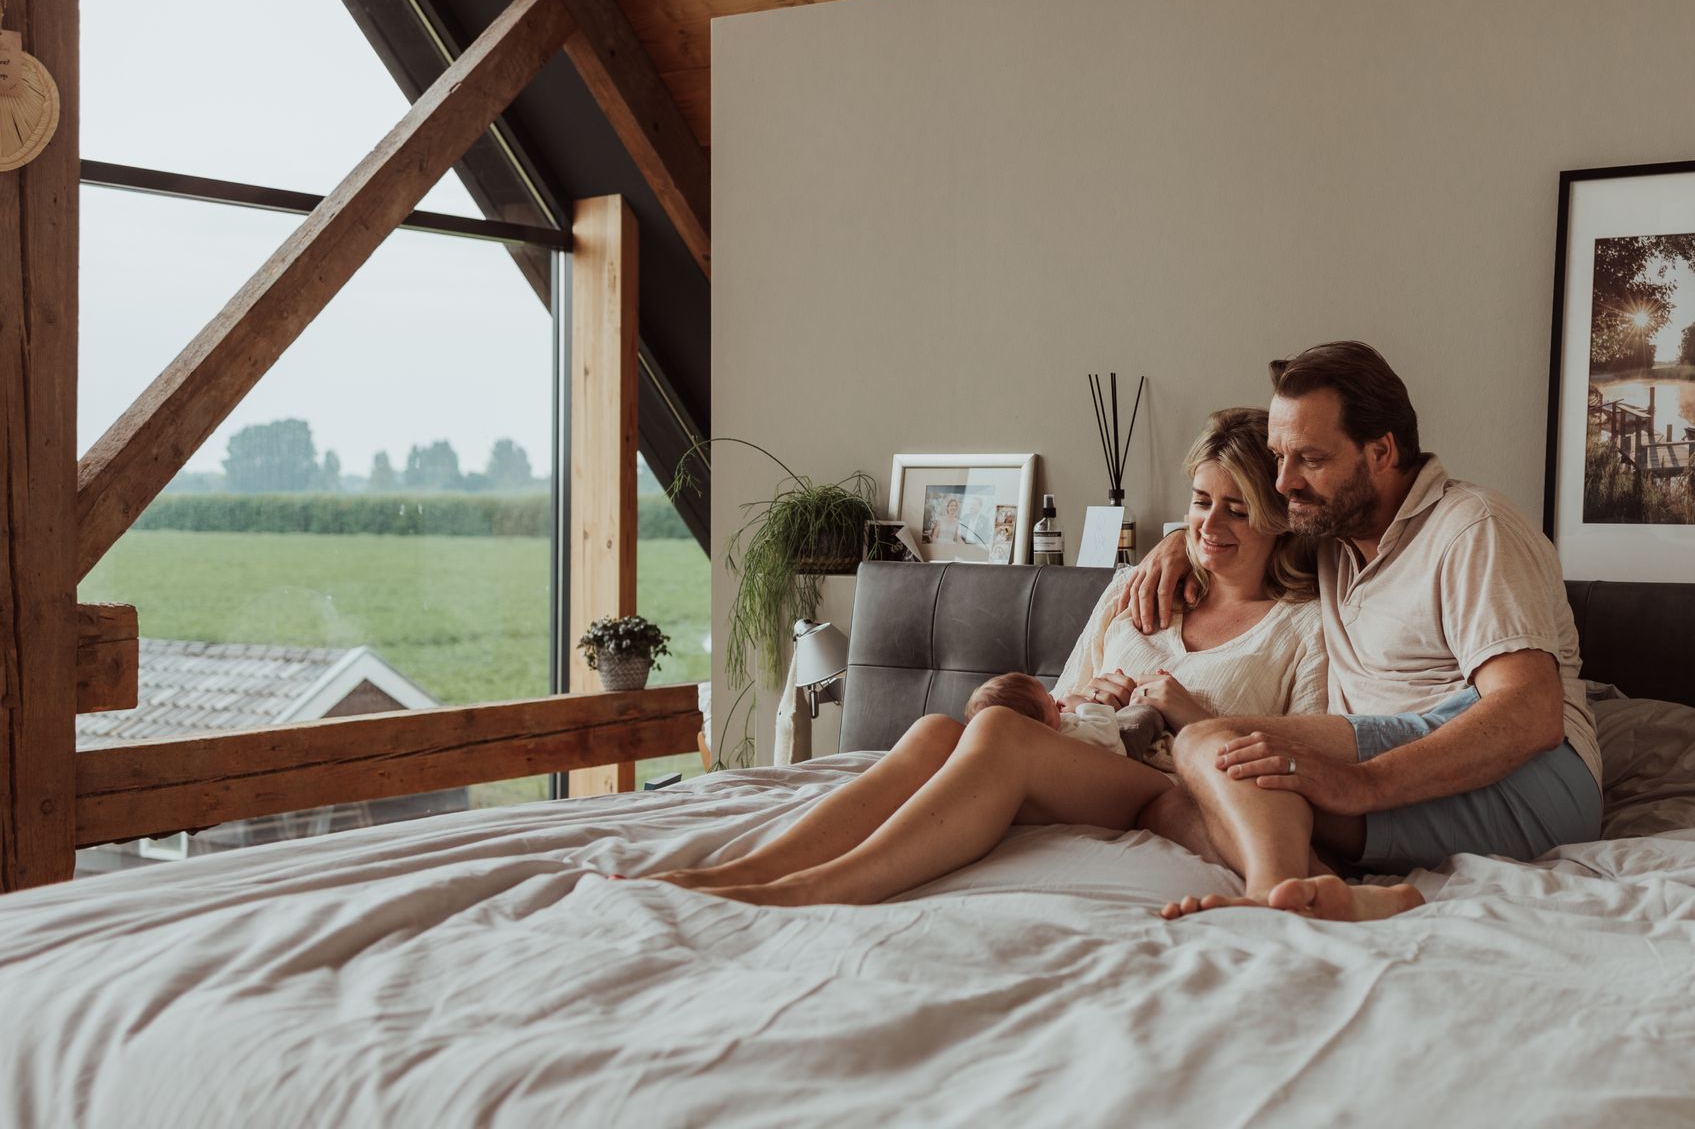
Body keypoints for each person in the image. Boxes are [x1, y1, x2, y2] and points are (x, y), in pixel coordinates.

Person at [635, 408, 1325, 907]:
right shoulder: (1138, 586)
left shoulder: (1301, 626)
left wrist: (1188, 712)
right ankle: (747, 870)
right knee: (937, 730)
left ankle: (818, 888)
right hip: (1086, 751)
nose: (1209, 524)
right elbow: (1064, 695)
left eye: (1237, 509)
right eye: (1201, 502)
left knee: (995, 731)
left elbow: (1309, 758)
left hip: (1163, 785)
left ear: (1278, 518)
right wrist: (1093, 697)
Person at [1121, 342, 1603, 923]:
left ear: (1381, 452)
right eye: (1278, 457)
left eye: (1309, 459)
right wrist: (1180, 543)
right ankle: (1327, 893)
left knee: (1210, 742)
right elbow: (1232, 519)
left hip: (1526, 781)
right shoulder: (1328, 528)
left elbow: (1531, 713)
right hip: (1397, 766)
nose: (1283, 482)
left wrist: (1361, 784)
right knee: (1169, 804)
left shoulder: (1473, 528)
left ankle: (1270, 897)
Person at [962, 671, 1168, 764]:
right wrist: (1083, 705)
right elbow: (1107, 734)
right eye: (1049, 702)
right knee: (1142, 716)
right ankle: (1156, 707)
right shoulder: (1069, 739)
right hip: (1120, 754)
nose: (1054, 697)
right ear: (1043, 727)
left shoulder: (1039, 741)